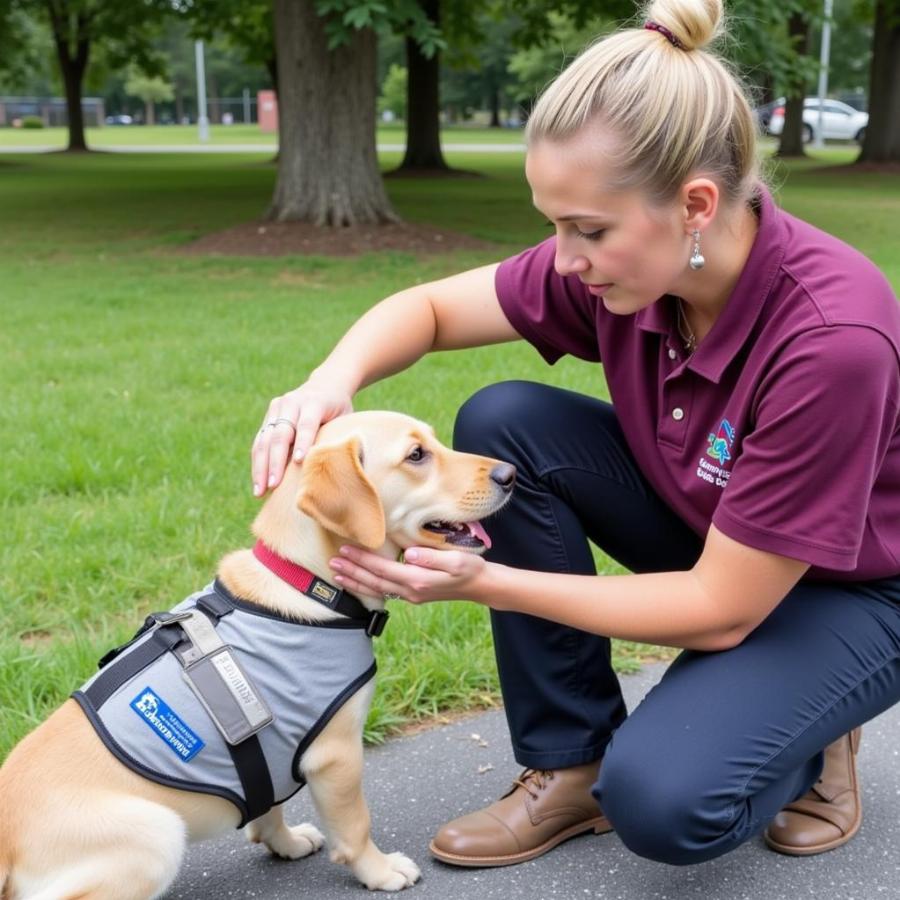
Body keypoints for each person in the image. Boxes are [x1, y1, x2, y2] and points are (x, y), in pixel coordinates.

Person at [251, 0, 900, 869]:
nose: (563, 261)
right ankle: (570, 763)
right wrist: (328, 382)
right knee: (505, 422)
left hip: (848, 591)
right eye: (555, 225)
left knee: (667, 803)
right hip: (721, 532)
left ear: (696, 206)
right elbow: (432, 308)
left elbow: (721, 608)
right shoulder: (623, 271)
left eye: (587, 231)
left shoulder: (831, 340)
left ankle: (813, 732)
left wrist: (489, 583)